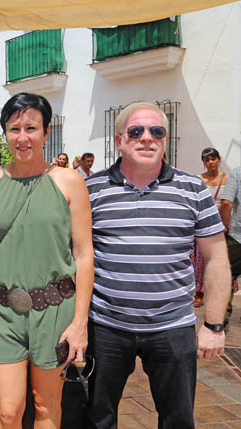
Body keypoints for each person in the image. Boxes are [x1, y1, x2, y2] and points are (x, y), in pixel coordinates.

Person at [85, 102, 230, 429]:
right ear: (119, 140)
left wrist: (214, 325)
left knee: (178, 420)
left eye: (156, 131)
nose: (146, 138)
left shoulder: (193, 189)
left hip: (173, 328)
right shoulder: (91, 189)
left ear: (165, 139)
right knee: (96, 419)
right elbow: (76, 255)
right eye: (136, 132)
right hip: (106, 327)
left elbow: (217, 257)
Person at [0, 93, 93, 429]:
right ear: (5, 133)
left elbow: (84, 255)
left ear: (46, 133)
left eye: (32, 128)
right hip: (2, 312)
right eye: (14, 129)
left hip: (55, 312)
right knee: (7, 412)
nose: (23, 137)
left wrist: (80, 322)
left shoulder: (69, 181)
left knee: (47, 408)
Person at [192, 148, 228, 306]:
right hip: (202, 225)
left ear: (219, 160)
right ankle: (198, 292)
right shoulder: (198, 179)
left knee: (220, 259)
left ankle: (220, 293)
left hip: (223, 225)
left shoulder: (227, 179)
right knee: (200, 260)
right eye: (207, 160)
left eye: (213, 159)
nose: (210, 162)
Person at [220, 166, 241, 329]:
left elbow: (226, 203)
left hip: (237, 237)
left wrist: (224, 226)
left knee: (227, 276)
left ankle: (222, 317)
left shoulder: (237, 172)